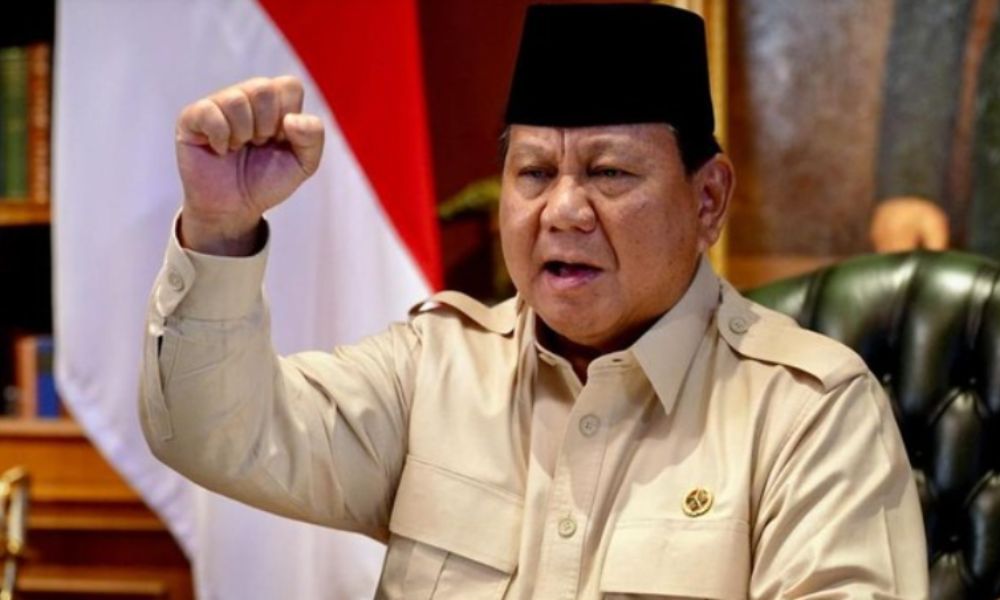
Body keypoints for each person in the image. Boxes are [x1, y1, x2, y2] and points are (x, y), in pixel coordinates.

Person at [140, 4, 928, 598]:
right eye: (534, 174)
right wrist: (220, 226)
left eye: (609, 173)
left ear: (708, 200)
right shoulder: (433, 372)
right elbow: (213, 433)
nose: (564, 210)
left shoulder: (808, 413)